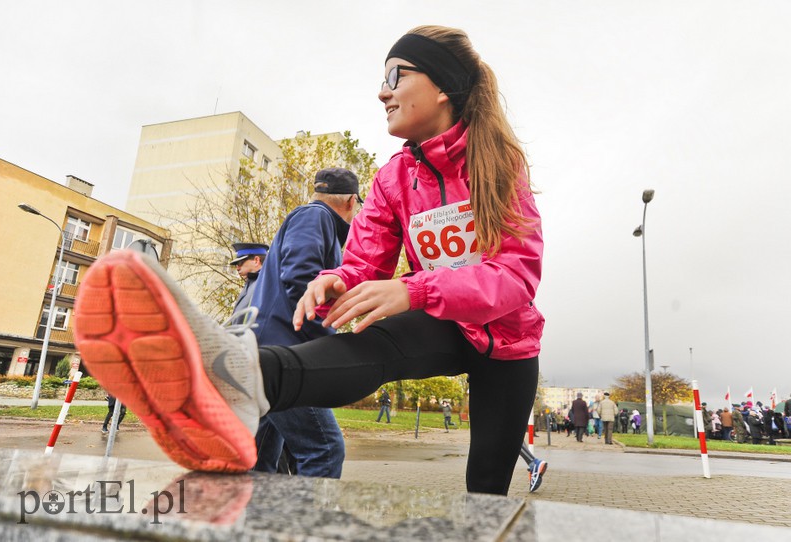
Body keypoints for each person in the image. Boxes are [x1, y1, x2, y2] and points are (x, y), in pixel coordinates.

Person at [73, 25, 544, 497]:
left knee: (486, 490)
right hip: (441, 320)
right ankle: (229, 379)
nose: (382, 92)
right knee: (370, 344)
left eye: (395, 76)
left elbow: (516, 277)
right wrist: (338, 280)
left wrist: (412, 289)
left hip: (507, 342)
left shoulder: (498, 163)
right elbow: (364, 264)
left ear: (442, 86)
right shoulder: (392, 178)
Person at [250, 168, 360, 479]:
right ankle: (308, 514)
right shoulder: (316, 216)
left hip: (269, 350)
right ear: (352, 201)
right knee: (324, 449)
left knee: (260, 456)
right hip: (286, 353)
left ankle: (251, 510)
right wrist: (328, 335)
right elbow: (303, 278)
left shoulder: (314, 218)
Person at [229, 242, 269, 313]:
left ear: (256, 260)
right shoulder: (251, 283)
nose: (237, 268)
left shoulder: (267, 283)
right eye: (236, 265)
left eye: (240, 263)